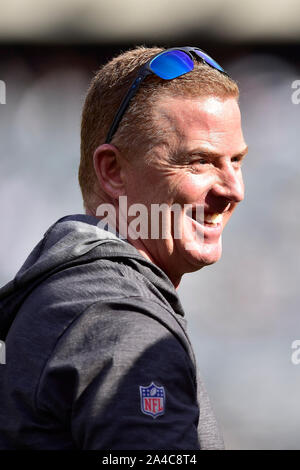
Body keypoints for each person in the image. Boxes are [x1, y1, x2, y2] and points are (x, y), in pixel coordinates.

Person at [0, 46, 247, 450]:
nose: (233, 190)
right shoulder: (120, 323)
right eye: (199, 161)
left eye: (235, 160)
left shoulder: (69, 293)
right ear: (113, 171)